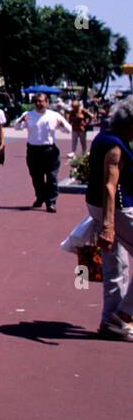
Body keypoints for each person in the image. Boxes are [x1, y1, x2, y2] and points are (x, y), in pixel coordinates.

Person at [85, 97, 133, 340]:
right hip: (116, 209)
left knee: (116, 264)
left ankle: (110, 321)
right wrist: (108, 226)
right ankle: (123, 315)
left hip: (98, 206)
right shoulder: (115, 145)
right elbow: (110, 186)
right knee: (116, 263)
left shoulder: (104, 137)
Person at [14, 92, 71, 213]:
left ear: (47, 103)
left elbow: (68, 130)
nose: (39, 104)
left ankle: (51, 202)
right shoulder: (28, 115)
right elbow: (17, 127)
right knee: (36, 177)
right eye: (37, 101)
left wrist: (61, 125)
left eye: (42, 101)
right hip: (33, 150)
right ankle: (40, 197)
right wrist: (21, 120)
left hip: (49, 150)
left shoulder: (54, 115)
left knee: (52, 177)